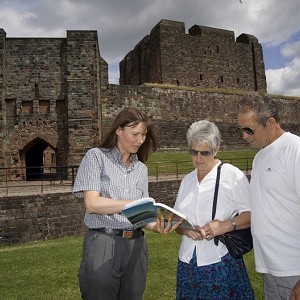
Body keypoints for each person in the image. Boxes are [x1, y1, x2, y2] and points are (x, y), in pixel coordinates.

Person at [73, 107, 177, 300]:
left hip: (137, 245)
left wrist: (158, 226)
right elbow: (92, 203)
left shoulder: (141, 169)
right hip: (103, 242)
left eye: (144, 134)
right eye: (135, 134)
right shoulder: (96, 156)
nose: (140, 140)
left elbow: (142, 217)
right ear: (119, 130)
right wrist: (131, 203)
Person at [174, 120, 255, 300]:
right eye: (193, 152)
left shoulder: (232, 175)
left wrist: (224, 226)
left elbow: (252, 215)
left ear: (216, 149)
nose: (198, 158)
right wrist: (185, 229)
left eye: (205, 152)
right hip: (188, 261)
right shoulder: (187, 180)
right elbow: (176, 220)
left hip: (220, 262)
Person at [236, 92, 300, 300]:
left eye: (249, 130)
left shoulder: (295, 150)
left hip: (293, 270)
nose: (244, 136)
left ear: (270, 123)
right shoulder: (260, 157)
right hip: (269, 269)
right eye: (241, 129)